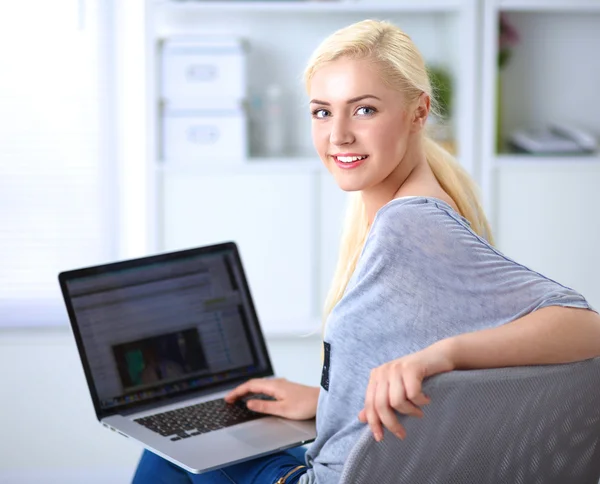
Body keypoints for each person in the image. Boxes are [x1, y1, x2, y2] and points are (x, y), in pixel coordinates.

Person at [132, 19, 600, 484]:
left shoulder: (411, 224)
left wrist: (443, 356)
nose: (338, 135)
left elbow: (587, 328)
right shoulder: (407, 213)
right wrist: (325, 403)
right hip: (350, 460)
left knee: (174, 447)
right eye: (321, 112)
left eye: (364, 110)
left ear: (418, 112)